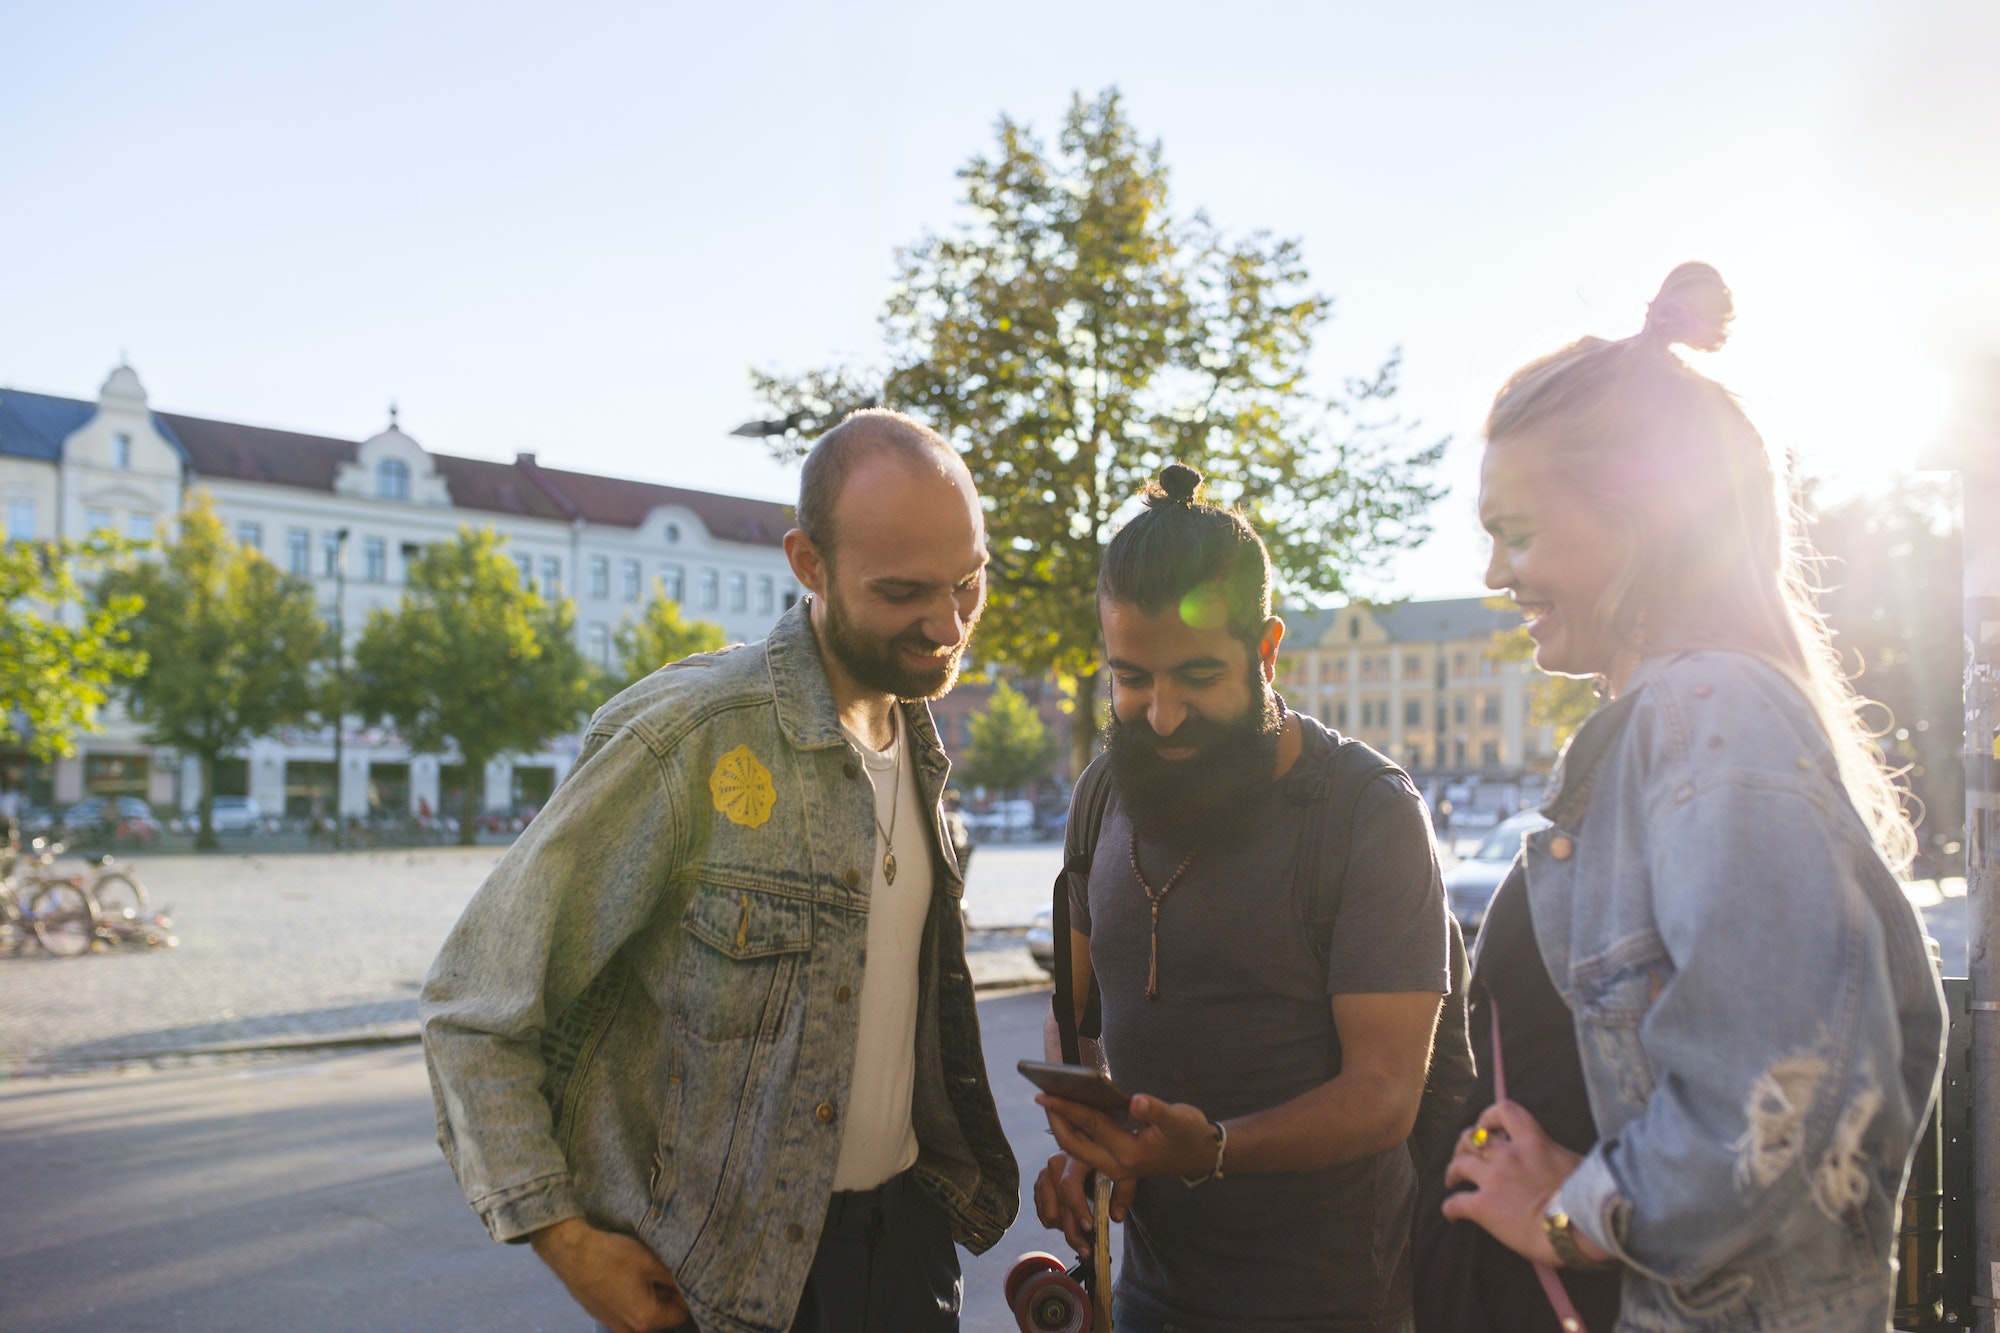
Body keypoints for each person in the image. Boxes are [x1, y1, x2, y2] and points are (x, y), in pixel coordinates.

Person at [1416, 264, 1946, 1332]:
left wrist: (1567, 1216)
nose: (1493, 571)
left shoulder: (1709, 715)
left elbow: (1771, 1104)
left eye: (1515, 530)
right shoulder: (1669, 724)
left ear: (1644, 519)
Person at [421, 408, 1018, 1333]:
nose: (948, 624)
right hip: (721, 1285)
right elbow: (473, 1006)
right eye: (904, 591)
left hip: (908, 1254)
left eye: (969, 582)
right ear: (809, 564)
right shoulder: (687, 736)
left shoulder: (921, 746)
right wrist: (567, 1242)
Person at [1033, 464, 1451, 1333]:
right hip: (1145, 1295)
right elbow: (1076, 1014)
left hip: (1336, 1305)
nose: (1163, 715)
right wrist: (1085, 1143)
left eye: (1196, 676)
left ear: (1267, 651)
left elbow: (1385, 1092)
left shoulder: (1366, 813)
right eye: (1133, 678)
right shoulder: (1102, 794)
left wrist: (1212, 1150)